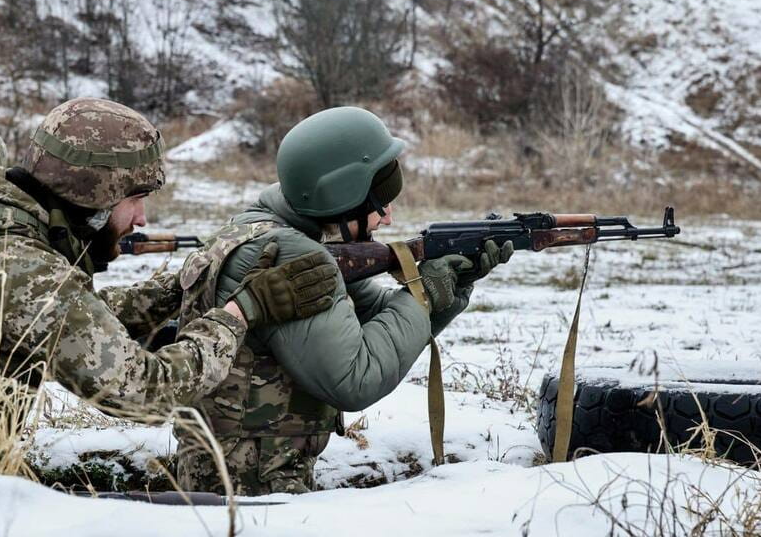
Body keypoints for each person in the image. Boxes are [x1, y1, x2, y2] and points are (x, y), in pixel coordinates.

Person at [0, 98, 337, 414]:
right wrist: (239, 313)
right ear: (94, 194)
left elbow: (78, 317)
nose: (141, 218)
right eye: (135, 198)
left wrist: (177, 285)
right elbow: (145, 390)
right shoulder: (24, 268)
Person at [175, 106, 513, 495]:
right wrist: (421, 297)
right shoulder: (292, 255)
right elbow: (355, 378)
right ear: (342, 195)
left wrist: (450, 287)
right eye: (381, 200)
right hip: (251, 486)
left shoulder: (261, 228)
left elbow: (380, 315)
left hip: (240, 468)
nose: (386, 218)